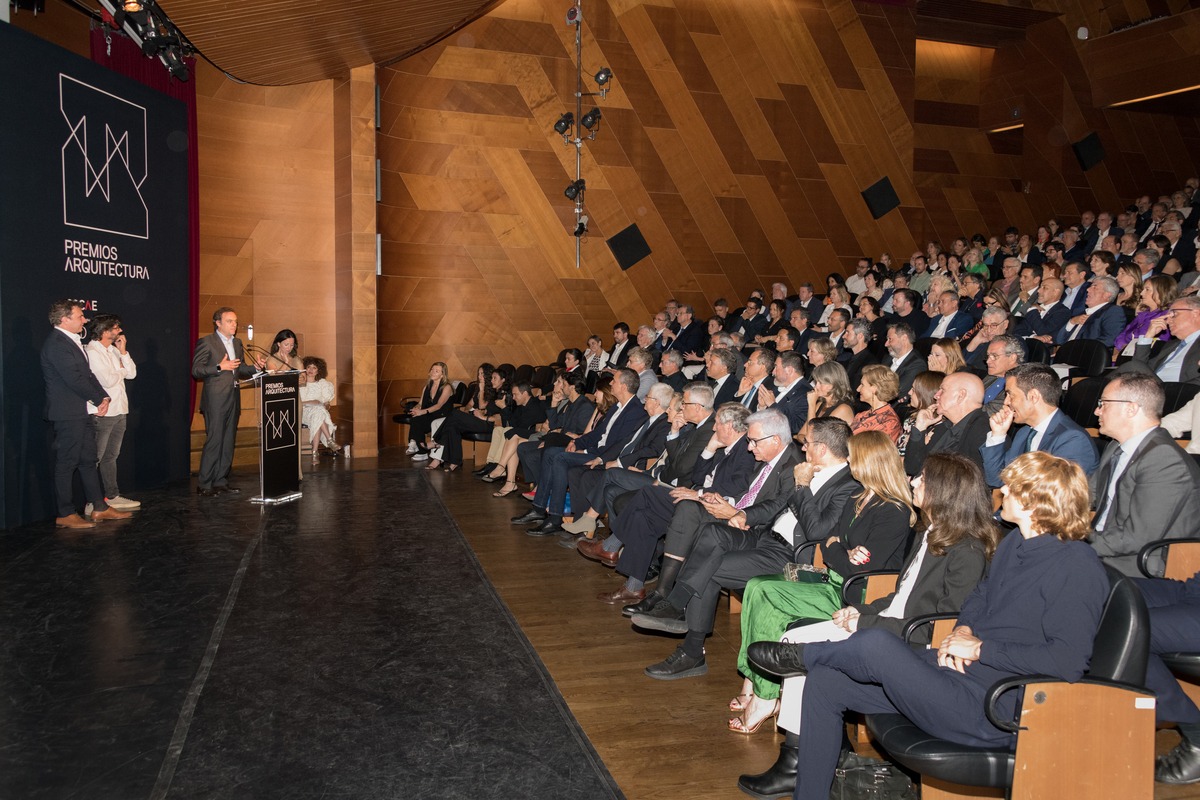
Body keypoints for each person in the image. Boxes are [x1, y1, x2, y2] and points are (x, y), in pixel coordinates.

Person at [745, 451, 1110, 800]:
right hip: (958, 674)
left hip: (994, 706)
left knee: (876, 643)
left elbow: (1068, 661)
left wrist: (982, 649)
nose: (1003, 494)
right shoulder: (1016, 544)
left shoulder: (1076, 566)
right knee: (826, 683)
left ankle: (803, 656)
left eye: (1012, 489)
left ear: (1034, 501)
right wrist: (964, 631)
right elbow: (978, 599)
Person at [738, 453, 996, 797]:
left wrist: (868, 621)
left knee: (801, 654)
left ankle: (795, 761)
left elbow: (944, 624)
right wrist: (859, 610)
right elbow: (900, 595)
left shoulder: (966, 550)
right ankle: (810, 750)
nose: (913, 482)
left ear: (944, 491)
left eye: (922, 479)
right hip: (889, 623)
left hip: (912, 644)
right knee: (794, 636)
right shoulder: (927, 533)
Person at [728, 431, 915, 734]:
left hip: (853, 594)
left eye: (854, 456)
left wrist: (836, 548)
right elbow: (828, 543)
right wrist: (840, 549)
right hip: (833, 579)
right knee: (757, 585)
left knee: (767, 593)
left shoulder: (893, 510)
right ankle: (756, 680)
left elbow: (864, 566)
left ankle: (764, 695)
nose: (849, 460)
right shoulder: (859, 497)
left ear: (869, 461)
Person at [1090, 373, 1200, 576]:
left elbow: (1137, 537)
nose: (1097, 411)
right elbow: (1087, 494)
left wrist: (1080, 543)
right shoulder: (1116, 446)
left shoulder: (1163, 459)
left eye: (1103, 403)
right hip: (1107, 547)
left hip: (1138, 565)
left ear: (1131, 408)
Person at [42, 300, 131, 527]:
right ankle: (65, 513)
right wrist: (98, 397)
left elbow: (88, 376)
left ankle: (99, 507)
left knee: (88, 461)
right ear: (64, 319)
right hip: (67, 413)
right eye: (80, 316)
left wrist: (104, 396)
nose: (85, 320)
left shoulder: (72, 341)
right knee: (66, 463)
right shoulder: (56, 344)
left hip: (82, 412)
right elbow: (74, 379)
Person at [980, 362, 1098, 487]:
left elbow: (1053, 498)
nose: (1006, 401)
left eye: (1010, 395)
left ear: (1033, 396)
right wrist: (998, 435)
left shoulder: (1072, 440)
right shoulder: (1024, 433)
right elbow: (995, 480)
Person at [191, 306, 263, 496]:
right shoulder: (207, 342)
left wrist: (255, 368)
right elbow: (196, 370)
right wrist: (218, 366)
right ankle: (204, 484)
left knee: (228, 441)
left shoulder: (237, 343)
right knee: (215, 440)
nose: (234, 324)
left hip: (234, 398)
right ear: (218, 323)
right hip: (215, 400)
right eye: (230, 321)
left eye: (236, 321)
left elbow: (240, 370)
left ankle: (221, 481)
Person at [84, 314, 139, 512]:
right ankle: (92, 502)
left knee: (111, 457)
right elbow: (106, 381)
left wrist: (123, 353)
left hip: (119, 410)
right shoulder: (92, 351)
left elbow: (132, 373)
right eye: (115, 328)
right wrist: (121, 371)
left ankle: (112, 496)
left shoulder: (114, 351)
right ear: (105, 331)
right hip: (102, 414)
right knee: (95, 458)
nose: (119, 332)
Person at [405, 362, 453, 459]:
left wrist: (422, 412)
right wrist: (417, 408)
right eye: (432, 370)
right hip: (430, 413)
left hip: (442, 414)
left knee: (418, 418)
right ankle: (416, 446)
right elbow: (421, 403)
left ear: (442, 374)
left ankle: (416, 445)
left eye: (436, 371)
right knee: (415, 417)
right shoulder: (427, 386)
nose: (432, 372)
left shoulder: (447, 387)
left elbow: (438, 406)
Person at [850, 365, 902, 443]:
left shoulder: (890, 422)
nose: (858, 389)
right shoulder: (862, 415)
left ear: (874, 388)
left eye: (862, 385)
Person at [300, 356, 337, 463]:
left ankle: (315, 452)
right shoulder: (300, 384)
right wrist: (311, 402)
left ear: (318, 370)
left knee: (318, 413)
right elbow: (297, 403)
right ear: (304, 369)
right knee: (318, 412)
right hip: (303, 412)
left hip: (319, 411)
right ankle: (328, 441)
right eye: (308, 367)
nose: (311, 370)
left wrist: (323, 405)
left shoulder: (323, 384)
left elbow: (326, 403)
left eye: (314, 368)